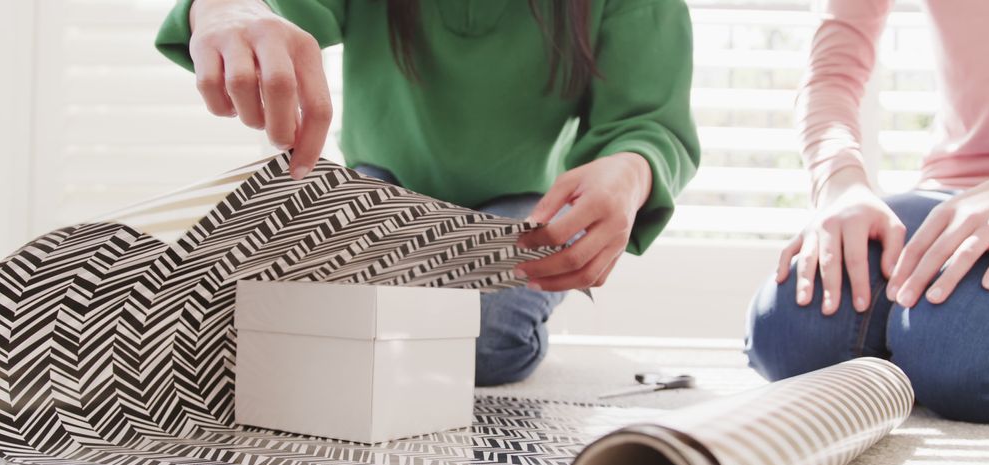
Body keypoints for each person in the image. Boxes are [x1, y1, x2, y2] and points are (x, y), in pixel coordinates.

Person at [156, 0, 700, 386]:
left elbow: (647, 120)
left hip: (526, 207)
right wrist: (225, 9)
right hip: (384, 182)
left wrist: (630, 171)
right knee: (301, 315)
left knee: (486, 345)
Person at [746, 0, 989, 423]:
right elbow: (830, 75)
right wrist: (840, 183)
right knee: (788, 335)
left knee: (963, 366)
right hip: (950, 194)